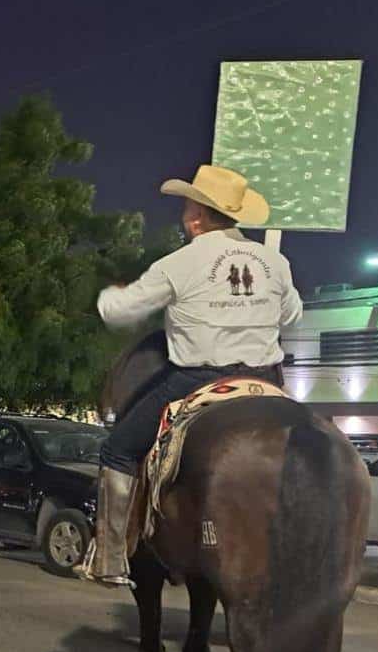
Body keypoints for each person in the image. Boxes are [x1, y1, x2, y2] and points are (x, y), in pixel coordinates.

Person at [77, 164, 303, 587]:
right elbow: (292, 314)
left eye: (187, 207)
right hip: (266, 383)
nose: (185, 215)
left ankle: (108, 557)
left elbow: (119, 311)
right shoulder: (275, 262)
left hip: (198, 380)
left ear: (197, 216)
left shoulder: (179, 263)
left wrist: (108, 295)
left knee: (118, 450)